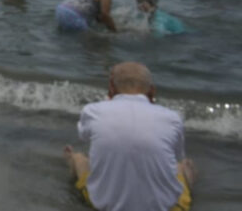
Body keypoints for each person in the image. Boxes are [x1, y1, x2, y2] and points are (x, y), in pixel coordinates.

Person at [63, 62, 194, 211]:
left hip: (106, 207)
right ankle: (187, 170)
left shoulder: (93, 111)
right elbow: (177, 155)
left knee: (80, 159)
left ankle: (71, 158)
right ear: (152, 91)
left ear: (111, 88)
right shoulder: (172, 118)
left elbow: (84, 137)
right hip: (167, 208)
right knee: (182, 165)